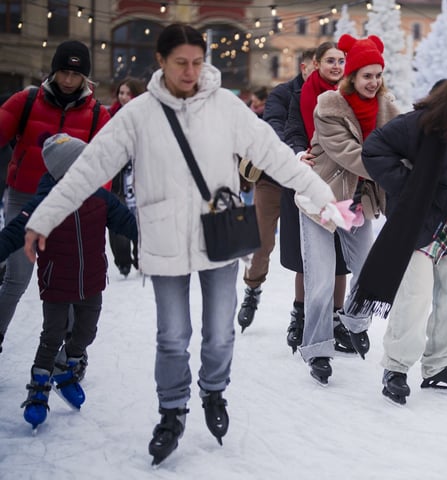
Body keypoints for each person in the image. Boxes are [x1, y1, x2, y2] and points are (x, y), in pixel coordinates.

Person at [21, 23, 343, 466]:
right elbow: (87, 168)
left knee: (218, 333)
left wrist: (324, 198)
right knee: (173, 337)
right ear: (161, 61)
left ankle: (213, 391)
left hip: (219, 236)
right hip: (165, 239)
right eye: (180, 63)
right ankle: (171, 412)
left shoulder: (227, 111)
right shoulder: (139, 115)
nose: (190, 71)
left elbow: (276, 156)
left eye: (197, 62)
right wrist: (42, 219)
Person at [349, 64, 447, 405]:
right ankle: (396, 368)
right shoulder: (421, 124)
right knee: (414, 299)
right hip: (420, 226)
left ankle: (439, 365)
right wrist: (411, 187)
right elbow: (375, 149)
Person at [0, 134, 136, 429]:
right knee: (52, 336)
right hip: (56, 284)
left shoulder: (100, 198)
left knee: (86, 333)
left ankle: (66, 368)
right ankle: (38, 390)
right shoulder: (43, 203)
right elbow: (14, 233)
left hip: (91, 281)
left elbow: (128, 223)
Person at [298, 34, 400, 384]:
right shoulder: (329, 105)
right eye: (366, 75)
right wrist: (397, 169)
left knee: (369, 269)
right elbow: (351, 156)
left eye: (377, 75)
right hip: (323, 201)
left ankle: (354, 321)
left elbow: (408, 139)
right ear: (352, 77)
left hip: (359, 204)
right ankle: (318, 350)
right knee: (323, 281)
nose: (373, 82)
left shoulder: (387, 106)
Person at [0, 40, 110, 354]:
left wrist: (96, 205)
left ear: (85, 78)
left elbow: (104, 163)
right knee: (17, 277)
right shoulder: (28, 99)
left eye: (75, 75)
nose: (67, 80)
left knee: (72, 282)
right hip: (24, 198)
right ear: (54, 71)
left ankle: (71, 353)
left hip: (69, 206)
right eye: (63, 72)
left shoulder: (96, 115)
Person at [281, 42, 356, 354]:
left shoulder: (351, 96)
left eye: (341, 61)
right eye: (331, 61)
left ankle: (337, 318)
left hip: (345, 183)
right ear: (316, 63)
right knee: (307, 257)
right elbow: (293, 129)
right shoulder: (300, 95)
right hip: (309, 181)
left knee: (339, 259)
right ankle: (301, 315)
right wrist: (299, 153)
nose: (337, 66)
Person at [236, 49, 316, 334]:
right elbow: (273, 125)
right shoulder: (283, 93)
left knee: (308, 249)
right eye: (317, 65)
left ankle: (301, 312)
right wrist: (295, 150)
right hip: (272, 179)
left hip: (307, 181)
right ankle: (252, 290)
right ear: (305, 66)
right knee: (262, 242)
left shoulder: (329, 95)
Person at [107, 77, 146, 277]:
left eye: (128, 93)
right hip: (116, 179)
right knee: (117, 223)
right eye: (121, 93)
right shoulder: (110, 116)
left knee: (142, 220)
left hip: (141, 178)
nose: (123, 97)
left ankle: (141, 257)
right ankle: (123, 261)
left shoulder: (147, 117)